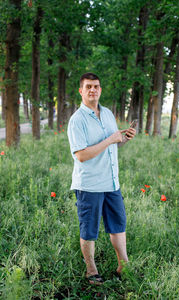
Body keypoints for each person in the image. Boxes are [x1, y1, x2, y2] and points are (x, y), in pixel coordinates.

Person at [67, 72, 136, 285]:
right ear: (81, 91)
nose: (92, 90)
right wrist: (110, 140)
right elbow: (81, 155)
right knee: (89, 229)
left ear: (100, 90)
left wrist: (123, 138)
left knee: (118, 224)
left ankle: (123, 266)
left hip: (112, 182)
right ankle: (91, 270)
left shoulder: (107, 113)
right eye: (88, 86)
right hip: (90, 184)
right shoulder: (77, 120)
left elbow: (113, 142)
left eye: (96, 86)